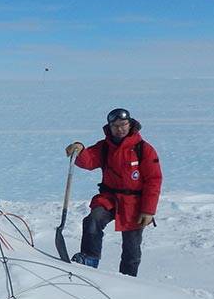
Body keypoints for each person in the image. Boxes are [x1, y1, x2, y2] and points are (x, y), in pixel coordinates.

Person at [63, 108, 162, 276]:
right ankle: (89, 260)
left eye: (123, 124)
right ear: (109, 127)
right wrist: (79, 149)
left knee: (132, 248)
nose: (120, 129)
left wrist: (148, 210)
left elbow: (154, 180)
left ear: (130, 124)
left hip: (135, 204)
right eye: (115, 125)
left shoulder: (144, 149)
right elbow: (89, 160)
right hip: (109, 198)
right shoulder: (105, 147)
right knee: (93, 220)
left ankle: (128, 281)